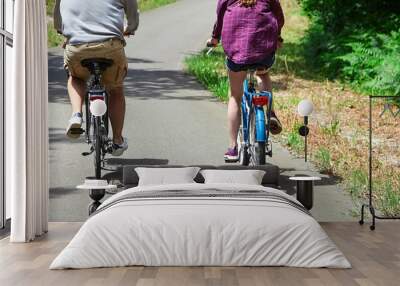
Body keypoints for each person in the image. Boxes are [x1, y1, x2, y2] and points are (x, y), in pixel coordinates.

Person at [54, 0, 139, 156]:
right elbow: (132, 14)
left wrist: (66, 33)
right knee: (116, 88)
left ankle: (76, 115)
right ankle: (118, 141)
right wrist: (130, 28)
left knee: (75, 78)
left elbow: (59, 24)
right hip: (110, 46)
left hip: (77, 47)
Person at [207, 0, 284, 162]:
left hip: (236, 55)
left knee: (235, 96)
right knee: (262, 74)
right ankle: (270, 112)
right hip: (263, 52)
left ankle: (233, 147)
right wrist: (277, 36)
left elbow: (220, 18)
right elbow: (279, 17)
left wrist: (215, 38)